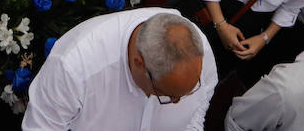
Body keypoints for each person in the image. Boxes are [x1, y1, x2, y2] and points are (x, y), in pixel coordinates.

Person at [21, 9, 215, 131]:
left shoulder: (200, 52)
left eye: (191, 89)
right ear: (139, 63)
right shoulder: (73, 68)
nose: (178, 102)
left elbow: (198, 108)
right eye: (167, 95)